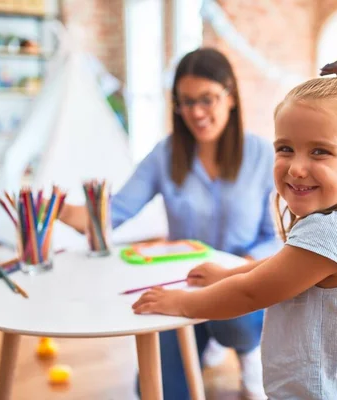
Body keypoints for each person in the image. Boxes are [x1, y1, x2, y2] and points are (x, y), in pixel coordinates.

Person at [132, 61, 337, 399]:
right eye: (285, 149)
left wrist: (182, 303)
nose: (296, 167)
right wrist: (227, 273)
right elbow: (285, 267)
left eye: (320, 152)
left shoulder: (331, 232)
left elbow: (250, 293)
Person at [57, 48, 280, 399]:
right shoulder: (166, 154)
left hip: (242, 285)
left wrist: (237, 271)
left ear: (231, 97)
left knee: (237, 320)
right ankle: (207, 340)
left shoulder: (263, 155)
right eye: (185, 102)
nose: (196, 112)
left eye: (207, 99)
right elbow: (112, 213)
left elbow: (274, 238)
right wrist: (61, 211)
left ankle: (246, 351)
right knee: (153, 388)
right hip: (186, 286)